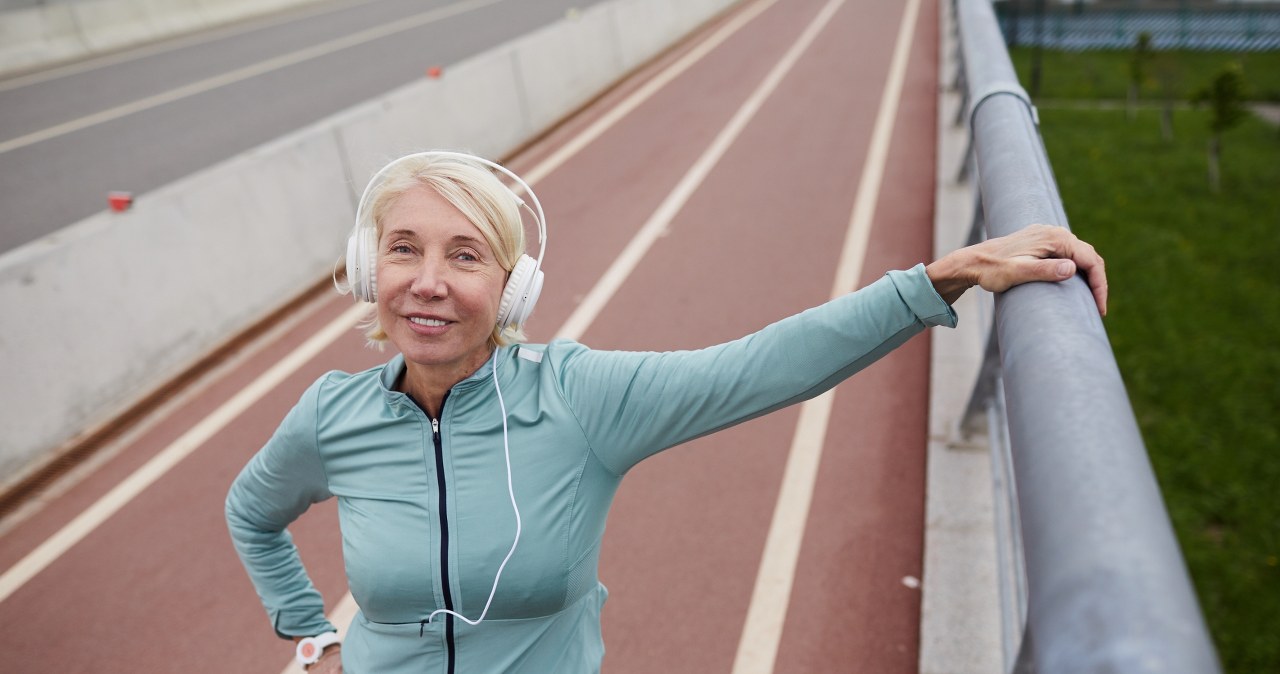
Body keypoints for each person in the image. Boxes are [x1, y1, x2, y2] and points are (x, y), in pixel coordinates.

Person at [226, 151, 1106, 673]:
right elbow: (253, 515)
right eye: (404, 249)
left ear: (510, 288)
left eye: (465, 256)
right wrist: (311, 636)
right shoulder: (333, 416)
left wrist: (943, 277)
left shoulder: (578, 399)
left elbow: (762, 367)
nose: (428, 281)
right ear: (369, 272)